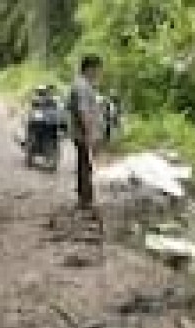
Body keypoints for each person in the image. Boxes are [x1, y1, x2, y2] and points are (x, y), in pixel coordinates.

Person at [68, 54, 104, 211]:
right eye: (97, 69)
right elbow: (83, 112)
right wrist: (90, 134)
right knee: (84, 165)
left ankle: (85, 198)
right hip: (82, 134)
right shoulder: (82, 86)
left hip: (82, 133)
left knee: (85, 165)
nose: (99, 73)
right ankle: (85, 200)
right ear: (89, 69)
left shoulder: (84, 84)